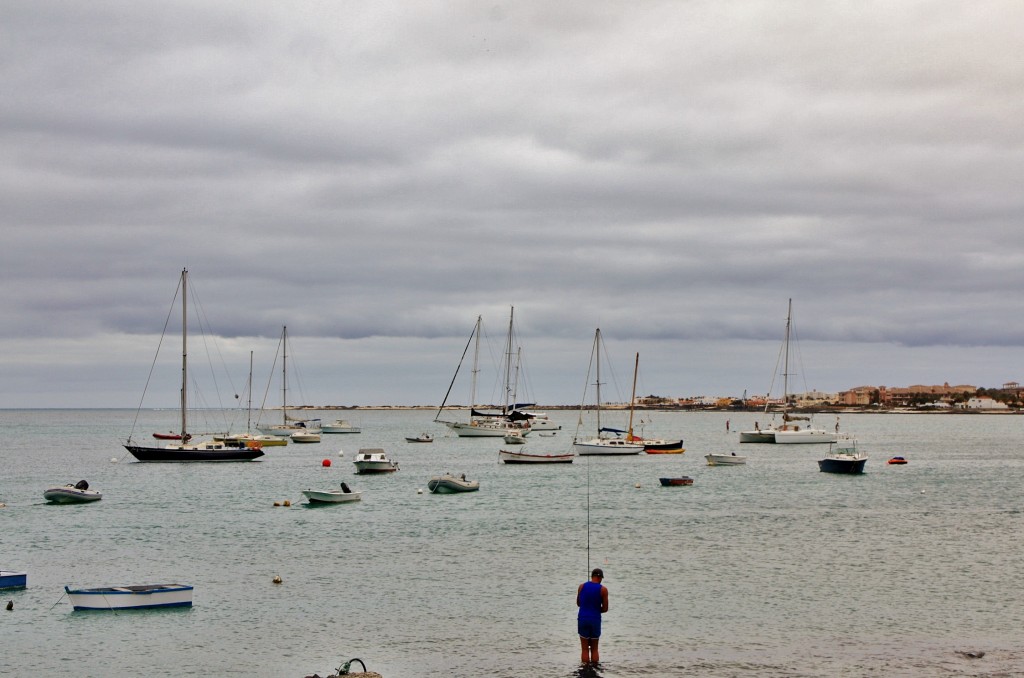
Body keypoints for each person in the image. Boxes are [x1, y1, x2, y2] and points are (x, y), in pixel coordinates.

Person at [577, 567, 609, 664]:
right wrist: (595, 609)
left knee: (584, 649)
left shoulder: (581, 586)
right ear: (600, 578)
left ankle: (585, 669)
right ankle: (595, 669)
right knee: (594, 649)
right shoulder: (603, 590)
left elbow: (578, 603)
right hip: (595, 619)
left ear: (592, 576)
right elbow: (605, 609)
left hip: (583, 619)